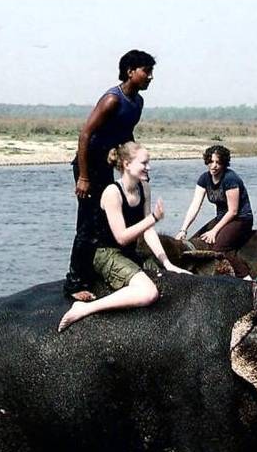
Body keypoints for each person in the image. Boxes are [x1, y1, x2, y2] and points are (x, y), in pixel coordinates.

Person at [58, 142, 190, 332]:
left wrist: (167, 263)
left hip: (129, 253)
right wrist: (153, 218)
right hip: (106, 253)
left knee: (172, 276)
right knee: (148, 293)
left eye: (149, 162)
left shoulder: (144, 188)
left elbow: (148, 230)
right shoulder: (112, 193)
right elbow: (121, 237)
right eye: (144, 163)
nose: (149, 167)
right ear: (127, 164)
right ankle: (85, 308)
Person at [63, 49, 156, 303]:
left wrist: (135, 164)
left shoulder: (137, 102)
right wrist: (83, 177)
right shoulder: (112, 100)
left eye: (151, 72)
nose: (150, 77)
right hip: (89, 165)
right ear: (130, 72)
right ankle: (74, 281)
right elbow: (84, 135)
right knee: (88, 222)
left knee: (112, 215)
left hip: (108, 164)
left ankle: (110, 261)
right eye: (146, 71)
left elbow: (126, 137)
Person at [173, 145, 254, 276]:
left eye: (218, 162)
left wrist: (214, 231)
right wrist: (183, 230)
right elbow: (195, 205)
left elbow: (233, 211)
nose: (214, 166)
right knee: (195, 241)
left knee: (219, 248)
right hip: (221, 217)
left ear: (224, 163)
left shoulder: (230, 179)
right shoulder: (204, 178)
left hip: (241, 218)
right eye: (211, 161)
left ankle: (247, 277)